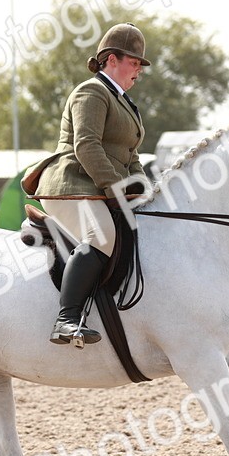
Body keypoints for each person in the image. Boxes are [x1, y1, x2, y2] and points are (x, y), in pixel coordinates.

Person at [22, 23, 150, 345]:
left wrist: (144, 188)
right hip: (71, 184)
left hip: (97, 187)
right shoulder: (91, 92)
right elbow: (87, 146)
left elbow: (131, 156)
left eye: (140, 64)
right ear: (111, 59)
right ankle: (66, 320)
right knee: (101, 235)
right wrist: (116, 188)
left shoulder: (125, 103)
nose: (139, 70)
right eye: (134, 62)